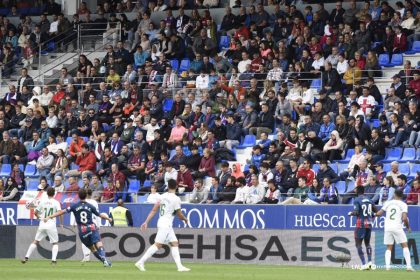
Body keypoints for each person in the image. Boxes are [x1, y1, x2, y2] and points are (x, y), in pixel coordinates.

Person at [44, 188, 113, 267]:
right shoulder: (90, 206)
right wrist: (108, 218)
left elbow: (61, 212)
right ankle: (104, 259)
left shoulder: (74, 206)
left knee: (93, 249)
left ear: (78, 196)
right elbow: (100, 215)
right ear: (86, 195)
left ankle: (104, 261)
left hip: (83, 232)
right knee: (99, 244)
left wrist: (50, 216)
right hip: (92, 228)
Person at [135, 179, 190, 272]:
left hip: (162, 222)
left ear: (167, 187)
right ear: (176, 187)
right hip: (166, 224)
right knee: (158, 245)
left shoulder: (162, 196)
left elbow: (153, 210)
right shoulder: (176, 199)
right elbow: (179, 214)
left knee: (174, 243)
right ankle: (140, 262)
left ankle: (180, 267)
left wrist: (146, 222)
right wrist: (185, 219)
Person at [375, 189, 415, 272]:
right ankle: (408, 267)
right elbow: (404, 218)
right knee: (404, 245)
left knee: (389, 247)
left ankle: (387, 267)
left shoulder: (388, 203)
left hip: (388, 227)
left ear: (394, 194)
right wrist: (408, 227)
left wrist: (373, 214)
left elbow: (378, 213)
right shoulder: (403, 204)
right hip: (397, 227)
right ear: (401, 195)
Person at [21, 187, 62, 264]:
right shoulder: (56, 202)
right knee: (55, 243)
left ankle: (26, 257)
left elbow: (35, 212)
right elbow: (60, 212)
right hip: (51, 224)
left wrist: (39, 217)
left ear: (47, 193)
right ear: (54, 194)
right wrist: (58, 221)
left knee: (35, 241)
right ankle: (53, 260)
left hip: (42, 224)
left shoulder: (42, 202)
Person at [348, 187, 376, 270]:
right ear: (364, 191)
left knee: (358, 244)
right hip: (369, 223)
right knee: (367, 243)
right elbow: (375, 211)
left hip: (361, 224)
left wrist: (351, 213)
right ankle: (370, 262)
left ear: (357, 191)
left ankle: (364, 264)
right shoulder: (369, 199)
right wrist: (372, 216)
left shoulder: (356, 200)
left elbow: (356, 212)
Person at [80, 188, 100, 263]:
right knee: (95, 240)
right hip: (92, 223)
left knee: (84, 240)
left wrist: (75, 222)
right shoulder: (94, 202)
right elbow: (97, 214)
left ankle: (86, 256)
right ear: (91, 194)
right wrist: (98, 224)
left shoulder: (82, 202)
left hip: (84, 223)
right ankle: (100, 254)